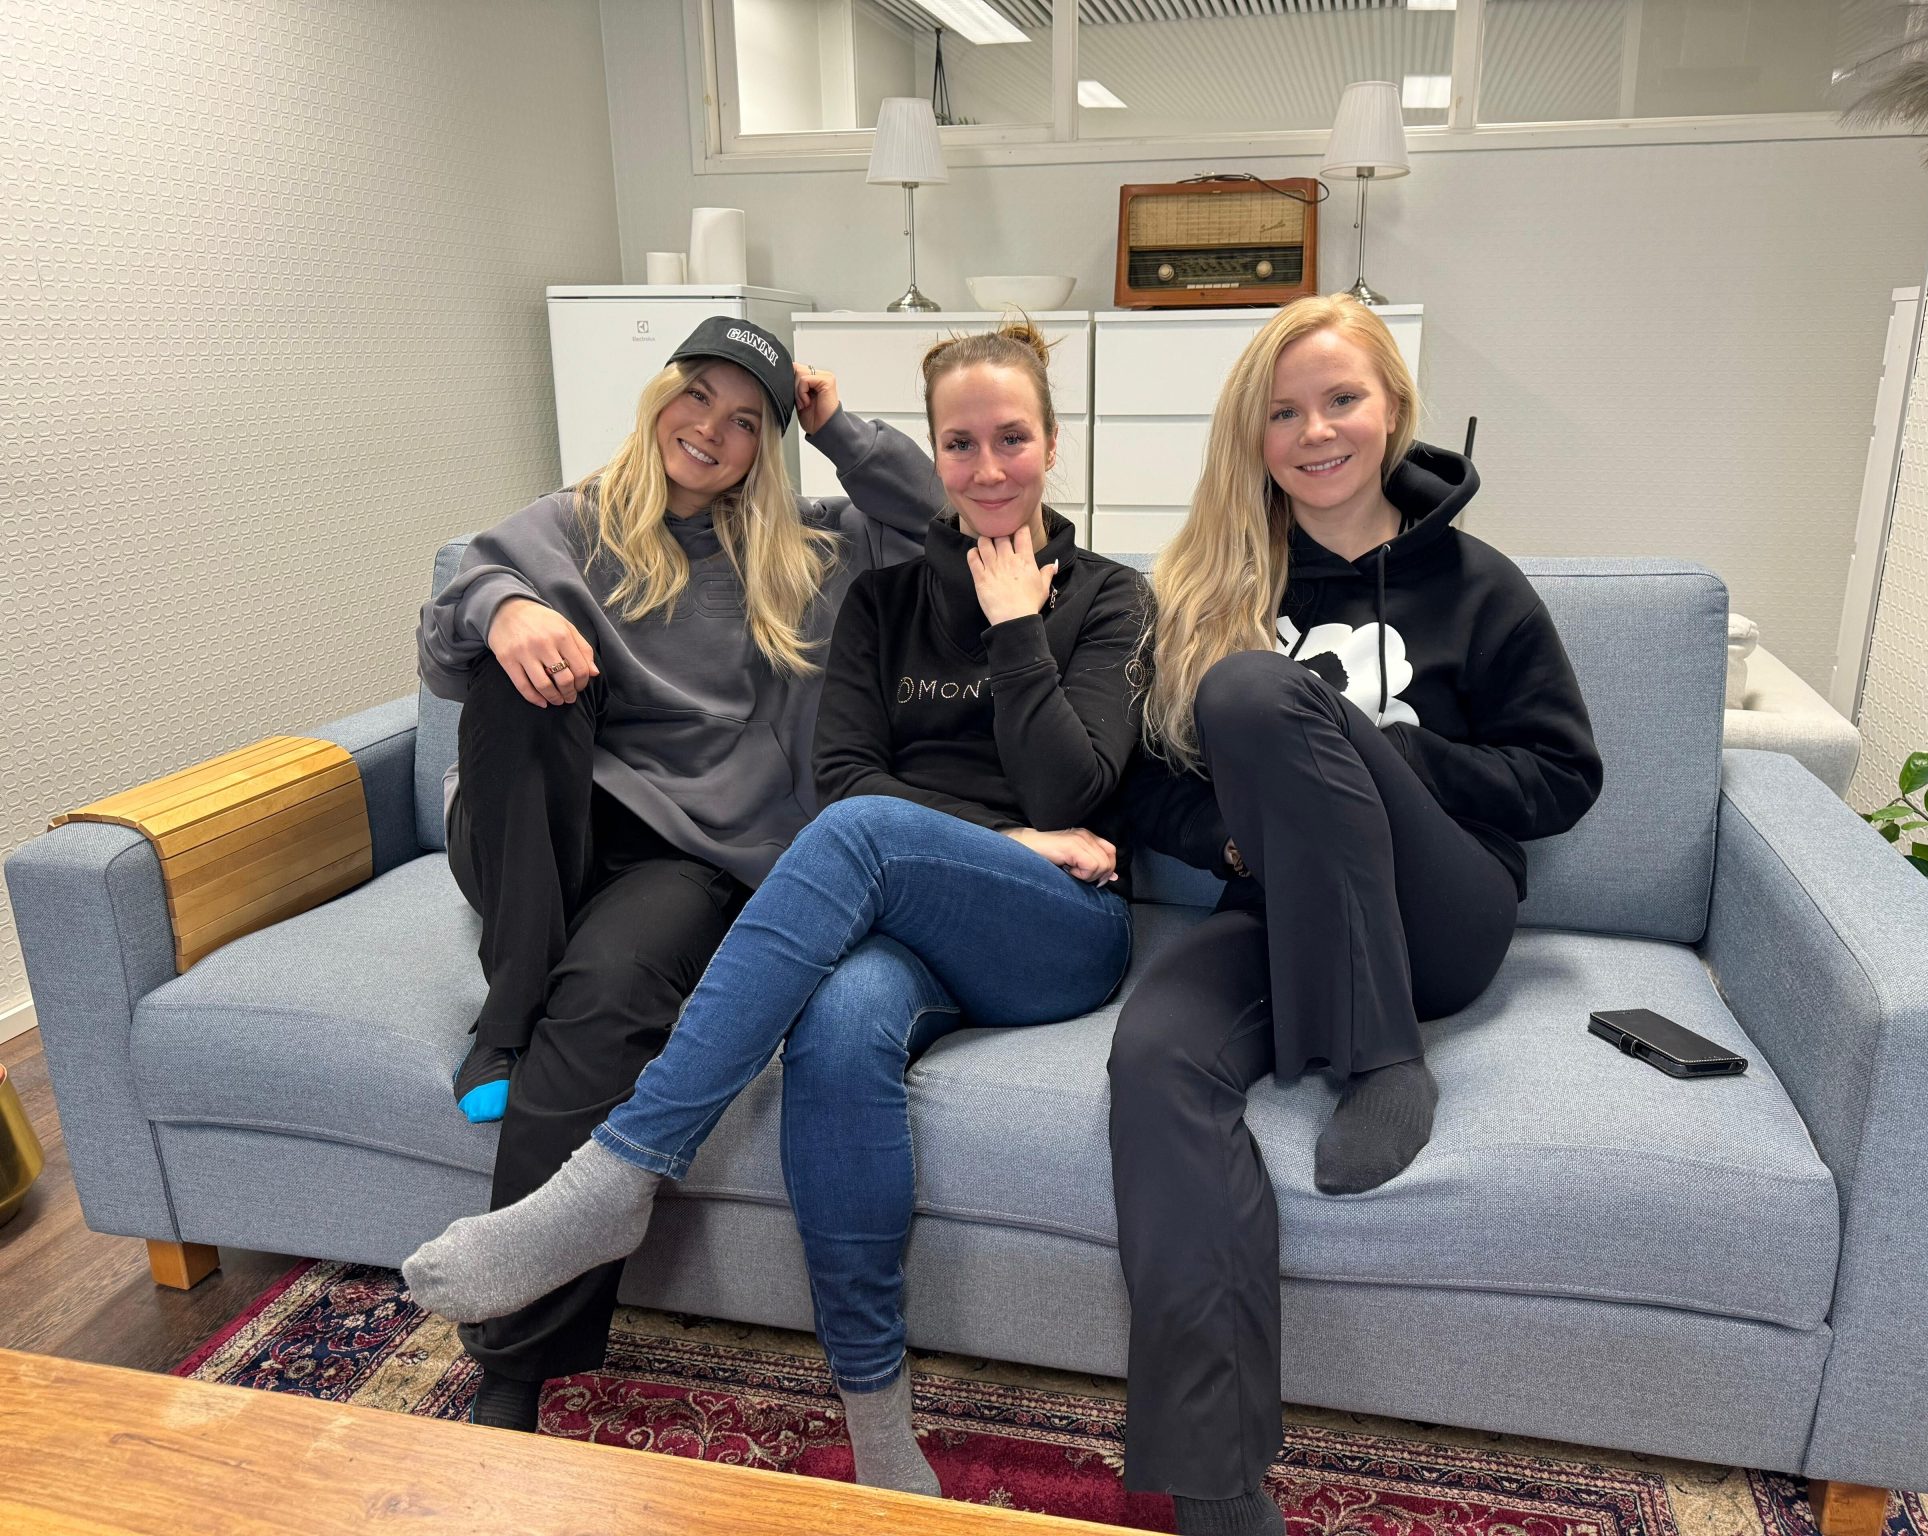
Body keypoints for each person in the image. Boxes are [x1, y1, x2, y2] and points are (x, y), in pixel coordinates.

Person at [404, 319, 1149, 1494]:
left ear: (1054, 445)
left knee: (837, 846)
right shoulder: (872, 596)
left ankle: (618, 1172)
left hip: (1043, 913)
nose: (985, 466)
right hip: (853, 906)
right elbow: (846, 775)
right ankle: (878, 1427)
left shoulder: (1098, 594)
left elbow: (1069, 791)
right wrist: (504, 605)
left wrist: (1006, 620)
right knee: (835, 1031)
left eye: (1012, 438)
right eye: (958, 443)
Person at [1109, 294, 1602, 1536]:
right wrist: (1236, 840)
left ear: (1392, 410)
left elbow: (1561, 777)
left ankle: (1383, 1058)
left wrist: (1388, 756)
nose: (1314, 431)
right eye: (1282, 412)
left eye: (1341, 400)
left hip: (1441, 917)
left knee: (1256, 693)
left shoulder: (1477, 587)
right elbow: (1142, 787)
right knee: (1154, 1057)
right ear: (1252, 435)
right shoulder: (1210, 581)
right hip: (1281, 911)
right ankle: (1218, 1491)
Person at [414, 314, 947, 1432]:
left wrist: (836, 426)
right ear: (660, 398)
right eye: (697, 396)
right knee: (515, 670)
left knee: (606, 993)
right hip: (538, 833)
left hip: (684, 860)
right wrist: (507, 607)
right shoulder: (575, 522)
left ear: (766, 448)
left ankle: (514, 1376)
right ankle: (508, 1009)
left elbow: (937, 523)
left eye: (746, 421)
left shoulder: (807, 549)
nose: (711, 428)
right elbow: (451, 615)